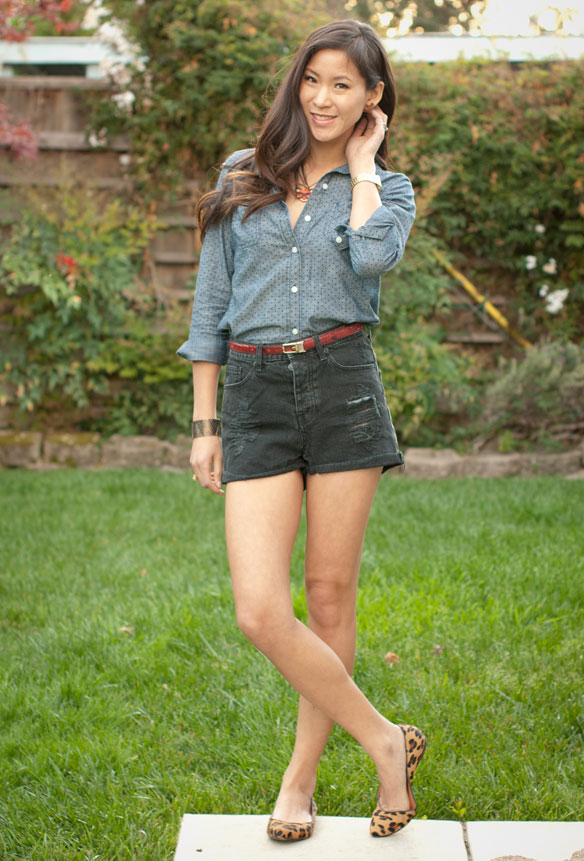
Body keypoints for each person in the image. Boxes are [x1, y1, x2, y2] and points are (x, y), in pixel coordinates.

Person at [177, 18, 426, 842]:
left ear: (372, 99)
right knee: (258, 608)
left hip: (343, 385)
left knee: (327, 594)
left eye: (344, 85)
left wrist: (358, 168)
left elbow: (372, 261)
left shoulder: (387, 190)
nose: (323, 97)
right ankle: (384, 739)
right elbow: (210, 306)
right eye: (313, 79)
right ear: (297, 83)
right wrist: (205, 422)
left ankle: (300, 781)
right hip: (251, 390)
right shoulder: (242, 175)